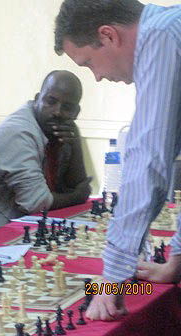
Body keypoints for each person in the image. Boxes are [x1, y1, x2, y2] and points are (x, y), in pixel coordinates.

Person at [54, 0, 181, 320]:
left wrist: (112, 278)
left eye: (88, 63)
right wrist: (177, 261)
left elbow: (148, 160)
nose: (96, 77)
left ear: (108, 36)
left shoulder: (161, 37)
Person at [0, 70, 91, 229]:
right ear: (37, 99)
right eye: (51, 101)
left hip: (27, 226)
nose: (57, 111)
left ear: (76, 113)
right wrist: (79, 196)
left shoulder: (61, 130)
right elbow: (38, 203)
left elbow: (74, 186)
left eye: (67, 107)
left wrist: (75, 142)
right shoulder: (17, 133)